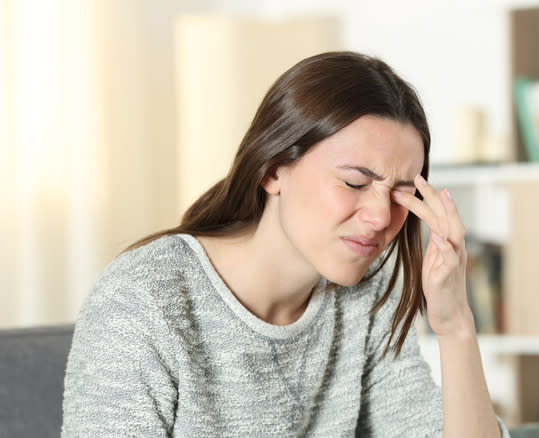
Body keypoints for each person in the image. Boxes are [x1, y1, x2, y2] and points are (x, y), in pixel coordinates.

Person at [62, 51, 509, 437]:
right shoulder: (143, 301)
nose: (379, 217)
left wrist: (455, 326)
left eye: (400, 193)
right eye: (355, 182)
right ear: (274, 170)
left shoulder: (369, 294)